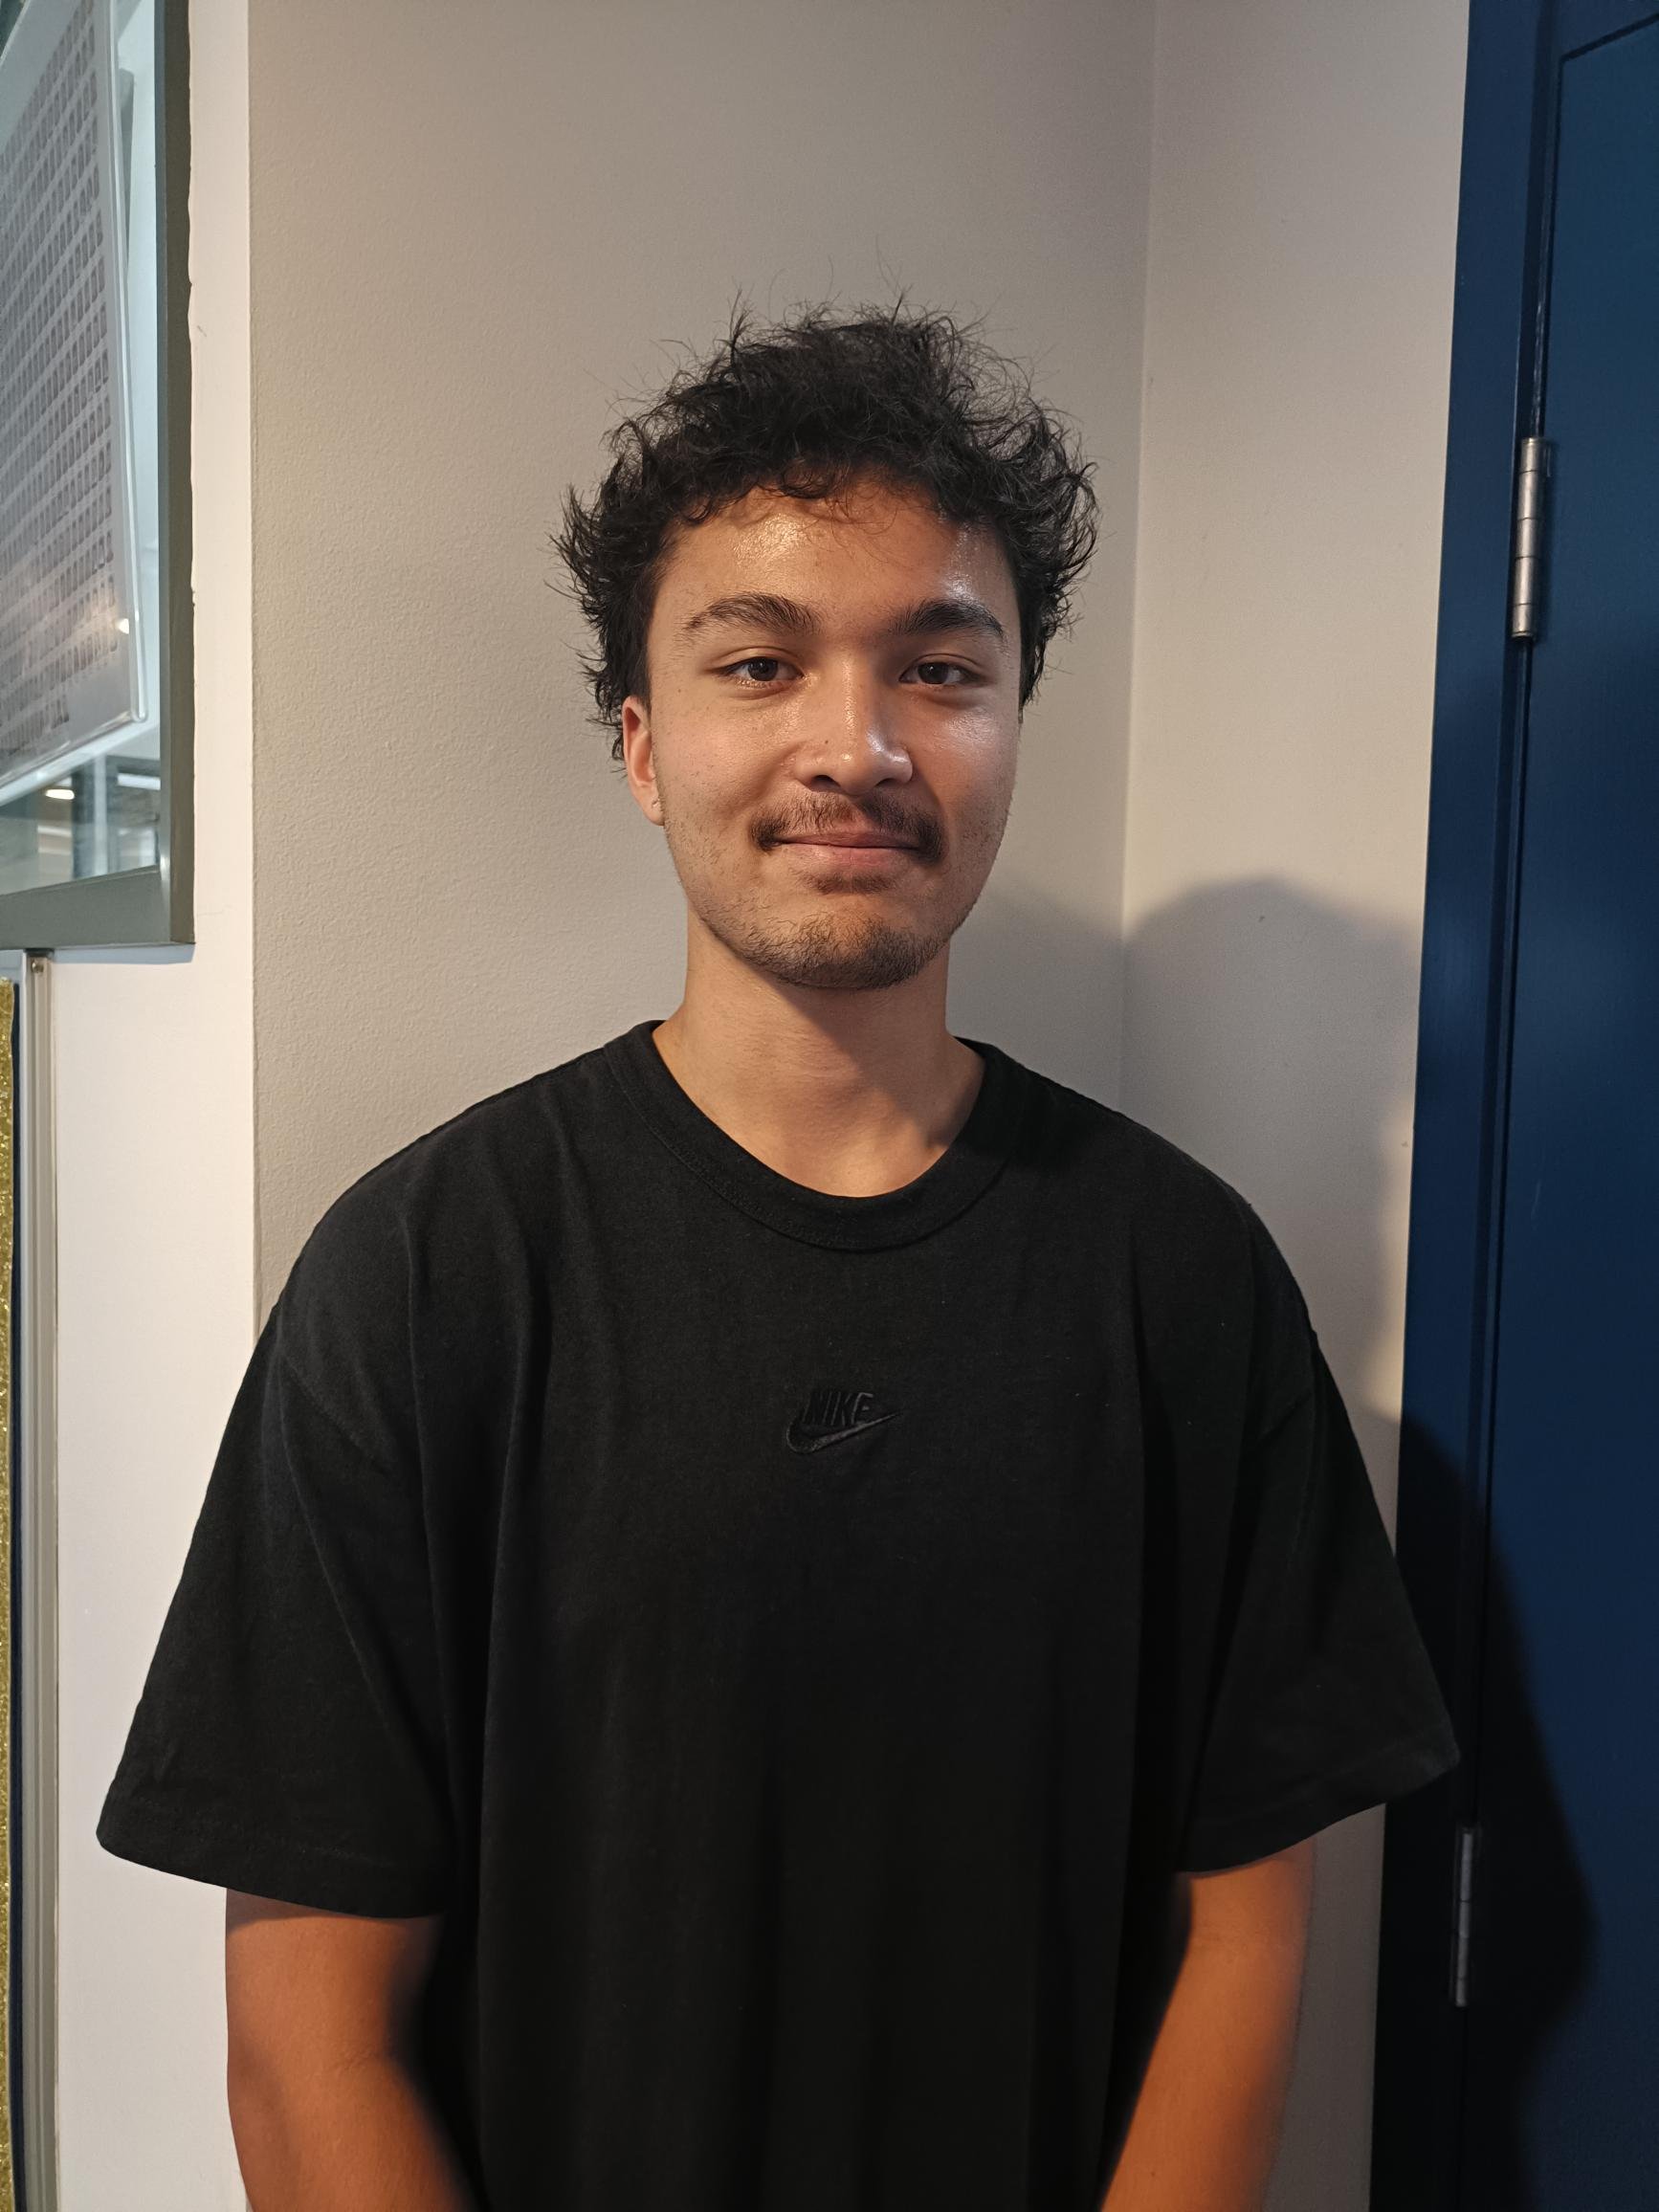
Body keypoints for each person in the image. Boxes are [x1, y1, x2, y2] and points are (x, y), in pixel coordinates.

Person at [98, 299, 1460, 2212]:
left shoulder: (1181, 1281)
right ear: (646, 750)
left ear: (1008, 732)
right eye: (762, 662)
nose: (858, 742)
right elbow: (309, 2030)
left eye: (941, 669)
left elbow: (1247, 1934)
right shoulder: (425, 1279)